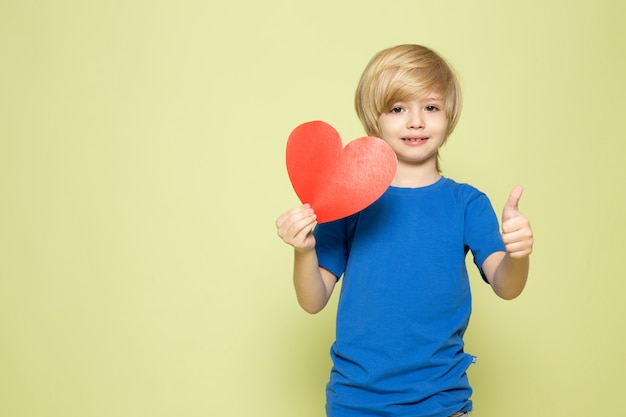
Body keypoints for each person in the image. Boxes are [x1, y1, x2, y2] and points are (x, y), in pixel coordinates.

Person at [275, 44, 533, 417]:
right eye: (398, 109)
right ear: (374, 118)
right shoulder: (348, 201)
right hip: (355, 402)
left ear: (449, 115)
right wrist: (303, 250)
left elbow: (507, 286)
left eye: (430, 107)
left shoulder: (467, 203)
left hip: (441, 402)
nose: (416, 122)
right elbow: (312, 300)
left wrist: (518, 254)